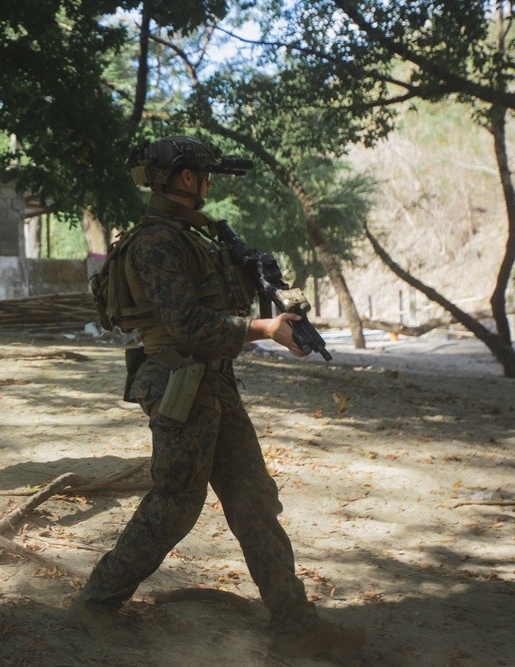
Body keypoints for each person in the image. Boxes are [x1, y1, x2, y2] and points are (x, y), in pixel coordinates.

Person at [67, 136, 367, 663]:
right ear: (185, 178)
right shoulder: (156, 241)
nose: (209, 183)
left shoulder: (195, 236)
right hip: (178, 382)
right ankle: (95, 603)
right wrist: (266, 328)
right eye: (205, 174)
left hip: (212, 383)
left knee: (253, 500)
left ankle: (297, 626)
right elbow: (187, 323)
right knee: (177, 502)